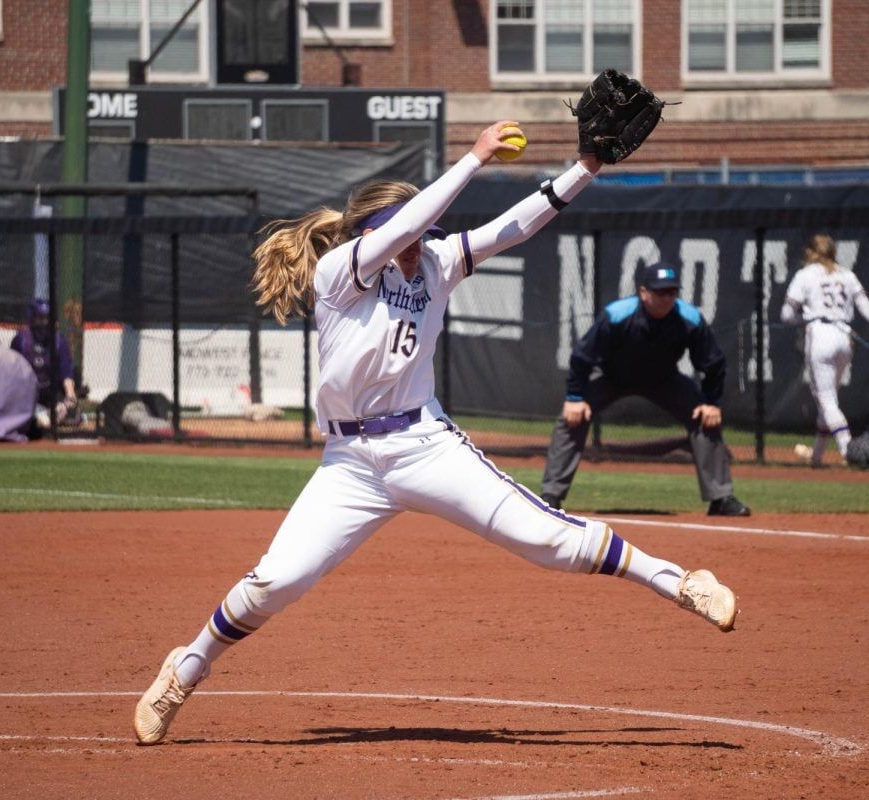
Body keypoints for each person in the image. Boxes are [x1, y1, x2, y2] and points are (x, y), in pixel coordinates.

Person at [132, 121, 741, 745]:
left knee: (545, 539)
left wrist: (584, 166)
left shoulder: (436, 261)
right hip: (350, 462)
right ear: (372, 231)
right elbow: (401, 225)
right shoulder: (342, 271)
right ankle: (186, 667)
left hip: (425, 444)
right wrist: (473, 159)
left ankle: (681, 582)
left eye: (422, 231)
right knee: (277, 581)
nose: (420, 241)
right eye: (409, 229)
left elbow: (517, 224)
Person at [540, 263, 750, 517]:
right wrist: (574, 398)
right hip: (613, 377)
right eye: (660, 292)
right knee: (571, 418)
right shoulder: (617, 315)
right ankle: (550, 496)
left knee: (705, 418)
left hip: (665, 379)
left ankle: (721, 498)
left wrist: (712, 402)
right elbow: (582, 357)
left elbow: (713, 363)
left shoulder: (689, 318)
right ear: (643, 292)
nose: (666, 298)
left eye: (672, 292)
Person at [781, 234, 869, 467]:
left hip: (819, 336)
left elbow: (786, 315)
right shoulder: (847, 275)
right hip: (844, 338)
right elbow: (868, 311)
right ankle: (817, 456)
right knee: (829, 402)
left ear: (810, 253)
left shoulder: (805, 275)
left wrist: (803, 317)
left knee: (826, 400)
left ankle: (849, 450)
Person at [10, 298, 78, 427]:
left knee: (72, 417)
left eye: (47, 318)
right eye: (40, 318)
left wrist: (70, 396)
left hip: (51, 393)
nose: (44, 323)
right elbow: (12, 373)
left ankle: (47, 415)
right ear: (32, 318)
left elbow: (66, 372)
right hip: (27, 394)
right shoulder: (21, 341)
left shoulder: (59, 341)